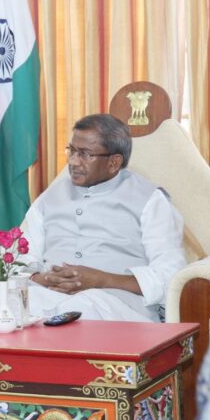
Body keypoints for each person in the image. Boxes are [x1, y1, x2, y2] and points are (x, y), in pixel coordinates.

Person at [19, 113, 187, 322]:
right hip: (48, 296)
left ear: (114, 162)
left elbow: (171, 274)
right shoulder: (49, 198)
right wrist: (42, 279)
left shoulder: (150, 200)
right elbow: (22, 257)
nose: (73, 161)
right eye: (72, 151)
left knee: (81, 310)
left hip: (118, 305)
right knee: (7, 304)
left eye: (85, 154)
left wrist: (102, 279)